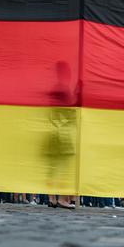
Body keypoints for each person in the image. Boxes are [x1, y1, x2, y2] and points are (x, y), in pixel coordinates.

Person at [46, 61, 79, 210]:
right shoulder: (64, 90)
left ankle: (52, 198)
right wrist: (78, 95)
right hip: (63, 133)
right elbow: (71, 111)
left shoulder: (54, 89)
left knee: (53, 167)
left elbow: (50, 113)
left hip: (53, 131)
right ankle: (62, 199)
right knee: (65, 166)